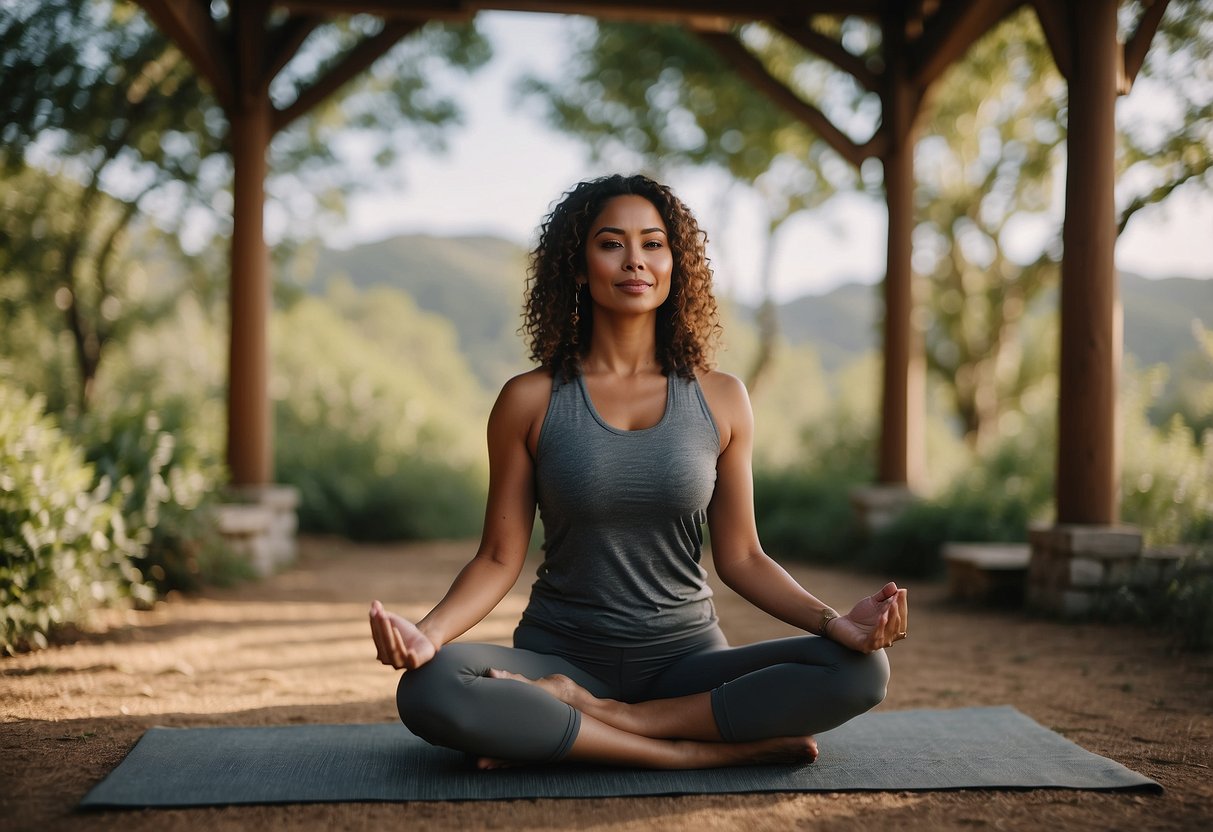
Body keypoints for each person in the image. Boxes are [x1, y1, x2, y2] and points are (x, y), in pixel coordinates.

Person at [369, 173, 908, 771]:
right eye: (611, 243)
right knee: (430, 686)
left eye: (653, 244)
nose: (635, 261)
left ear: (676, 265)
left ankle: (592, 724)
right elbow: (499, 558)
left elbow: (743, 558)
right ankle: (689, 755)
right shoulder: (529, 400)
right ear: (578, 267)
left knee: (859, 670)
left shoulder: (722, 398)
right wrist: (429, 633)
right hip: (558, 658)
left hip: (686, 663)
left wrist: (836, 626)